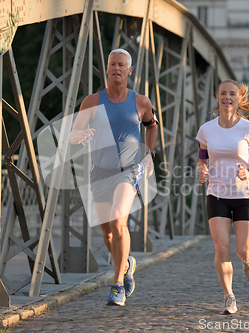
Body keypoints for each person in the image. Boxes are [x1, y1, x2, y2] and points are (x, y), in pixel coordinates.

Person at [69, 49, 158, 306]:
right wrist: (78, 137)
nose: (116, 68)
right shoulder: (92, 101)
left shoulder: (141, 102)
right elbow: (74, 133)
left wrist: (149, 154)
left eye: (121, 65)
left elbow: (152, 126)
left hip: (128, 171)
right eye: (112, 64)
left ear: (129, 71)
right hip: (100, 172)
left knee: (120, 223)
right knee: (107, 234)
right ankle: (127, 262)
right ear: (106, 69)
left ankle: (117, 284)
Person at [196, 79, 249, 314]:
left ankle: (248, 258)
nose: (227, 97)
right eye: (223, 93)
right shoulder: (206, 129)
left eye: (232, 94)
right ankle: (229, 296)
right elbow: (202, 157)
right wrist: (202, 169)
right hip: (217, 193)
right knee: (221, 247)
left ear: (239, 99)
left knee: (243, 250)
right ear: (217, 97)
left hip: (245, 195)